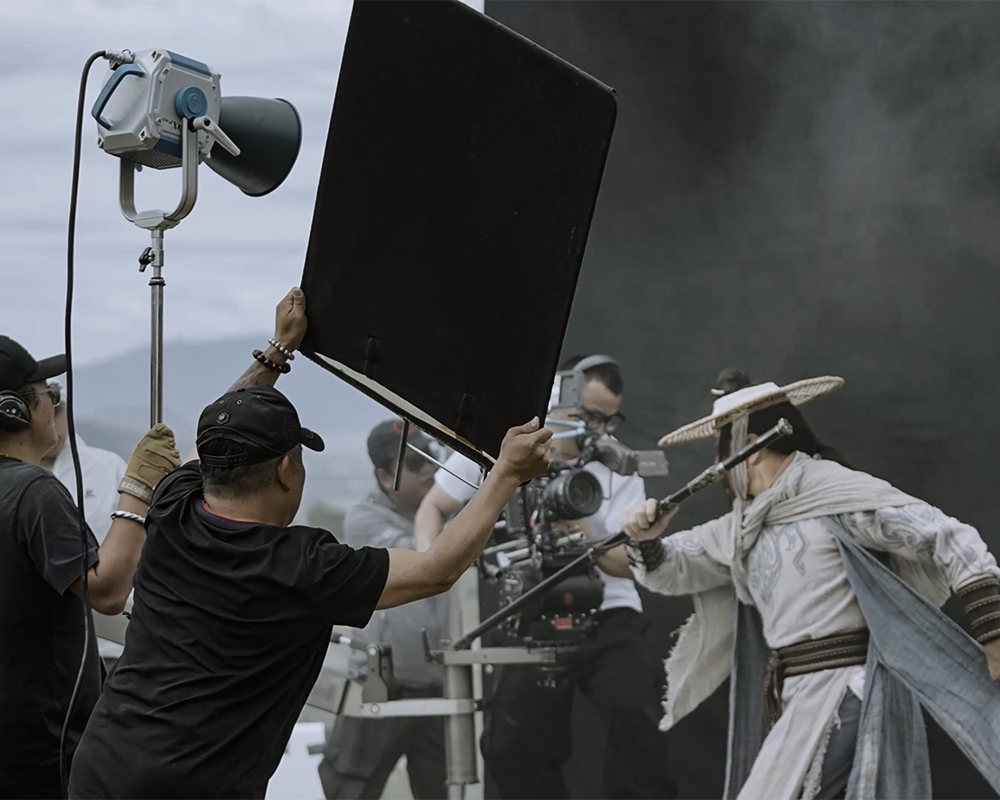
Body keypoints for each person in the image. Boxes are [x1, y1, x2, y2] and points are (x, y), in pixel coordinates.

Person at [68, 288, 552, 800]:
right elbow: (437, 569)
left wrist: (277, 351)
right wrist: (505, 474)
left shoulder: (173, 506)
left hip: (102, 765)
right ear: (286, 469)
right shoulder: (303, 566)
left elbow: (213, 441)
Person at [623, 374, 1000, 800]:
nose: (719, 466)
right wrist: (646, 537)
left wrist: (994, 633)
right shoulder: (743, 526)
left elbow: (948, 536)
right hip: (797, 698)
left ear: (749, 448)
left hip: (850, 688)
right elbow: (673, 566)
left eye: (722, 451)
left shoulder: (832, 492)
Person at [415, 355, 675, 800]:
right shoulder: (506, 446)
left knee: (636, 710)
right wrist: (431, 567)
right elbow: (433, 507)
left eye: (607, 420)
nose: (597, 430)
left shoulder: (616, 463)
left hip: (605, 610)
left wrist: (582, 529)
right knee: (510, 745)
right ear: (557, 398)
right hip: (528, 609)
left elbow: (627, 564)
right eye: (587, 416)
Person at [0, 335, 181, 799]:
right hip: (40, 750)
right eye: (50, 394)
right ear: (13, 411)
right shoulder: (32, 491)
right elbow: (107, 590)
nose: (55, 407)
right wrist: (139, 489)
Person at [319, 420, 449, 800]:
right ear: (383, 475)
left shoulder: (446, 513)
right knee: (350, 788)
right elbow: (429, 559)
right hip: (380, 684)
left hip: (437, 683)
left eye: (432, 457)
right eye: (416, 464)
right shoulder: (365, 519)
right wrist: (442, 510)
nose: (430, 471)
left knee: (440, 790)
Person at [40, 392, 128, 545]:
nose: (53, 424)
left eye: (57, 411)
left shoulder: (110, 467)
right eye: (42, 412)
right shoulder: (9, 477)